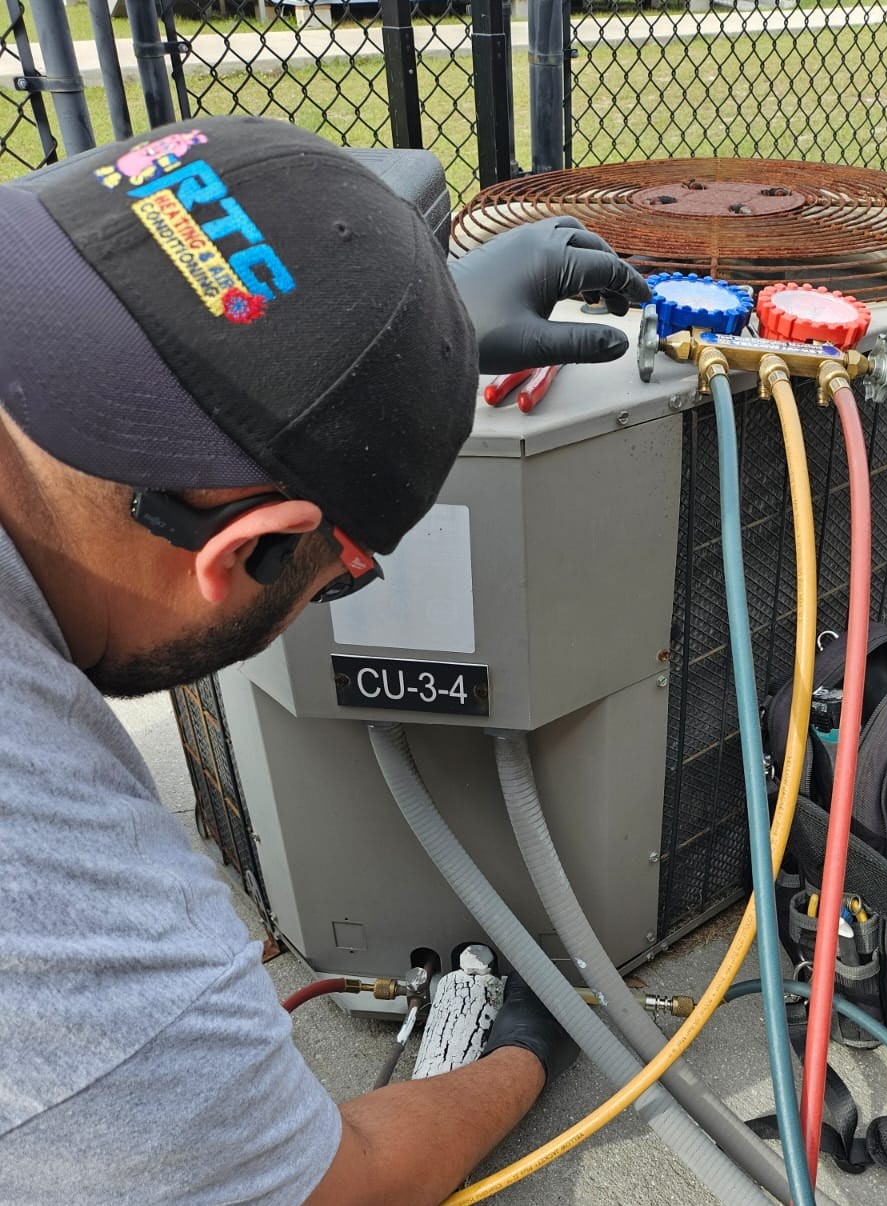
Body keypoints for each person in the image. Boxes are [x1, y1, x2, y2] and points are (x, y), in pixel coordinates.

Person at [0, 115, 650, 1205]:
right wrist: (525, 1052)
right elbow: (342, 1186)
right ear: (245, 550)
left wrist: (420, 346)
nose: (339, 592)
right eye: (342, 574)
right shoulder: (75, 911)